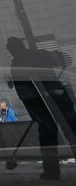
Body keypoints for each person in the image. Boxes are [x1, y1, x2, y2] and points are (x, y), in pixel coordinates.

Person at [7, 36, 76, 181]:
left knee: (48, 139)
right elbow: (67, 59)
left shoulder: (17, 65)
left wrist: (34, 112)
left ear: (13, 48)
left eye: (11, 48)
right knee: (72, 131)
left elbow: (24, 94)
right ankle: (51, 172)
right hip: (59, 99)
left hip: (42, 106)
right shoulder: (39, 54)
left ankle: (51, 172)